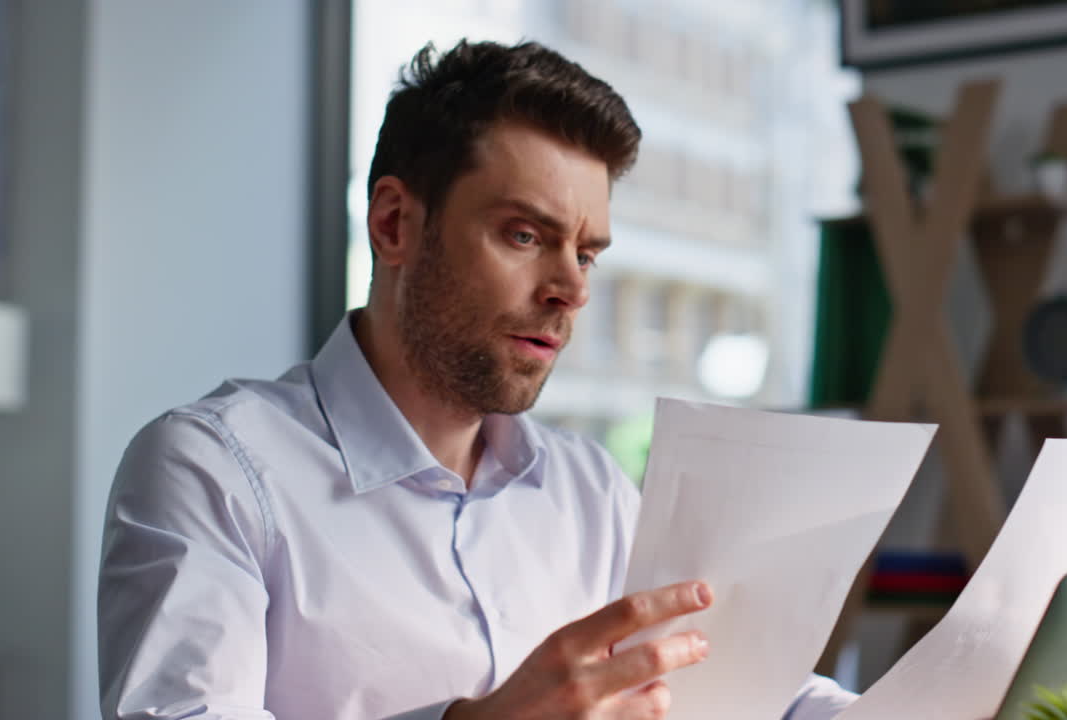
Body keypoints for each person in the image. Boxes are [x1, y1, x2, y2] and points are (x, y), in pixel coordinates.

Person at [97, 39, 856, 720]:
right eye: (525, 235)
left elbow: (752, 693)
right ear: (394, 224)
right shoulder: (211, 469)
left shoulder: (590, 491)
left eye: (586, 253)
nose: (571, 288)